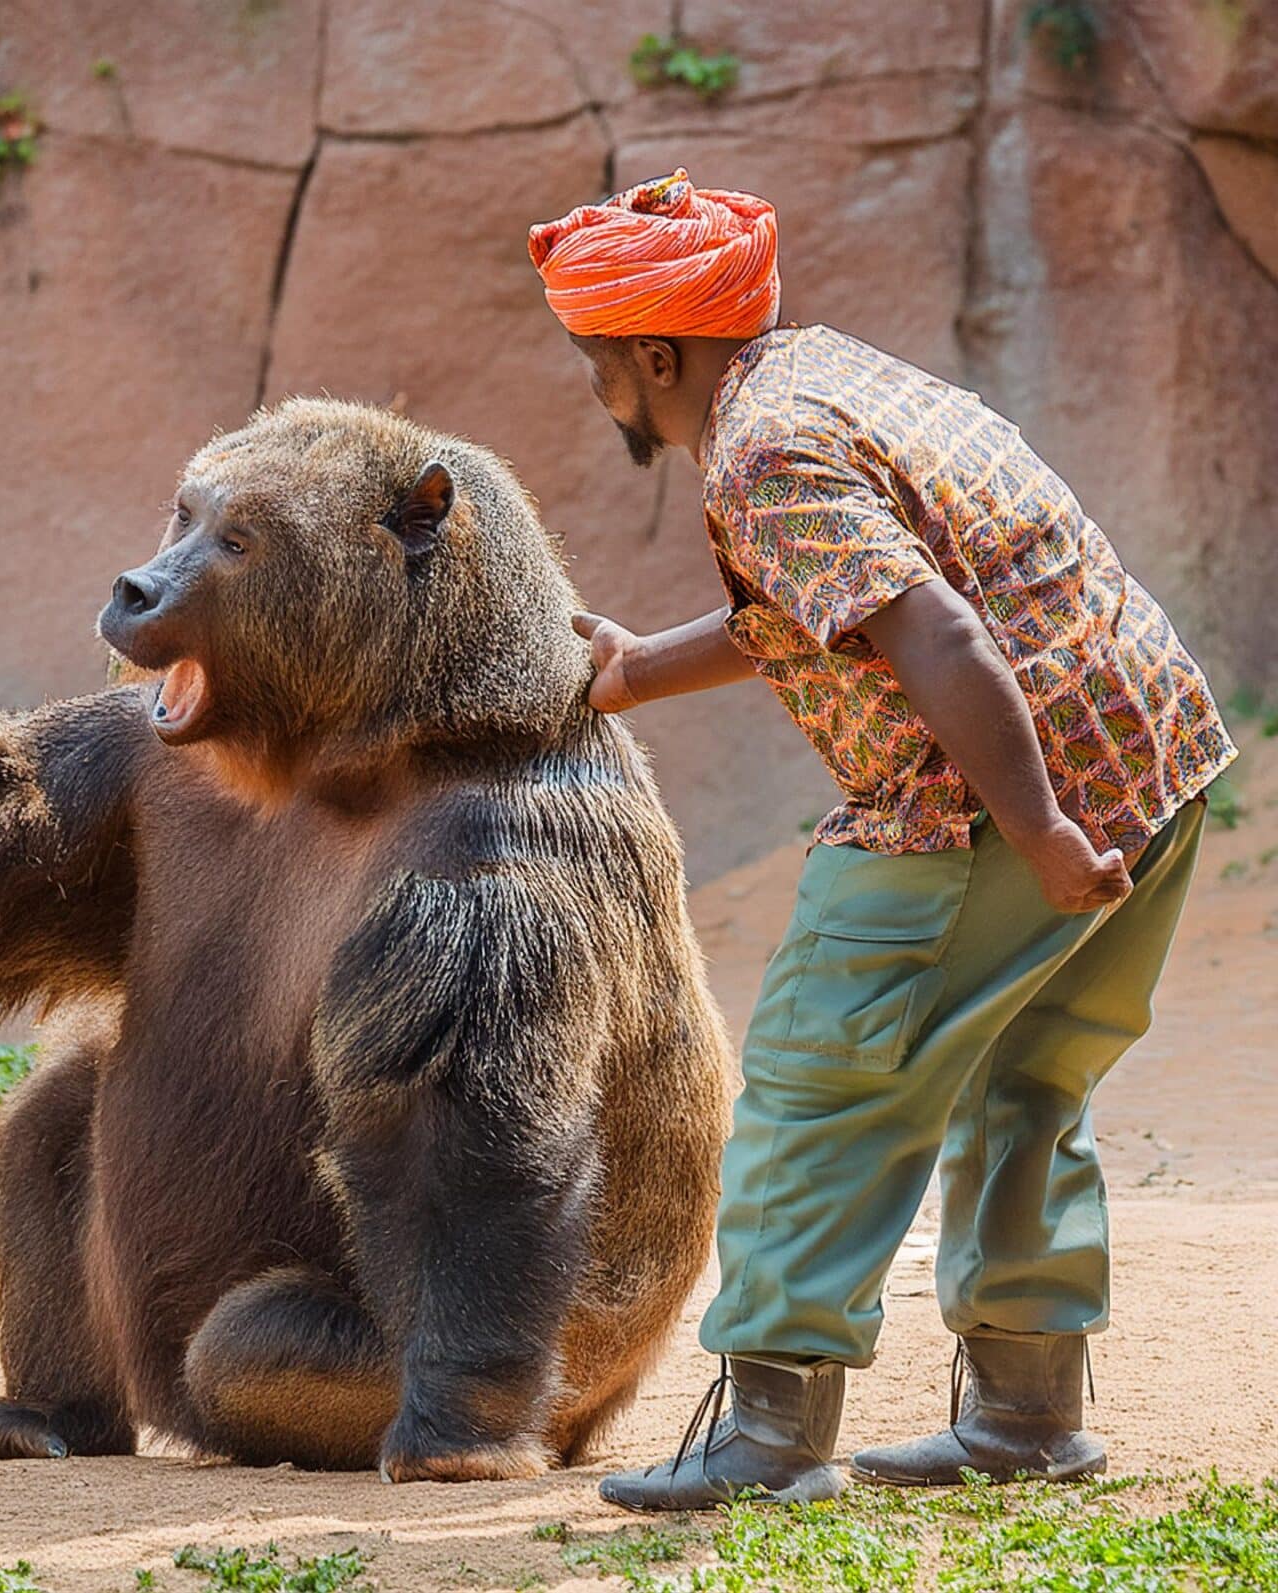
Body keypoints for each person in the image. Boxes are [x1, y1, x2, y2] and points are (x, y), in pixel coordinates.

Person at [527, 169, 1237, 1510]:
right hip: (1153, 757)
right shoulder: (827, 377)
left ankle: (772, 1435)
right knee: (1023, 1080)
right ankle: (1028, 1412)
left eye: (596, 361)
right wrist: (634, 669)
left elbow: (941, 636)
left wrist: (1035, 832)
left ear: (655, 351)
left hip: (995, 800)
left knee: (817, 1080)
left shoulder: (759, 449)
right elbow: (848, 599)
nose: (597, 389)